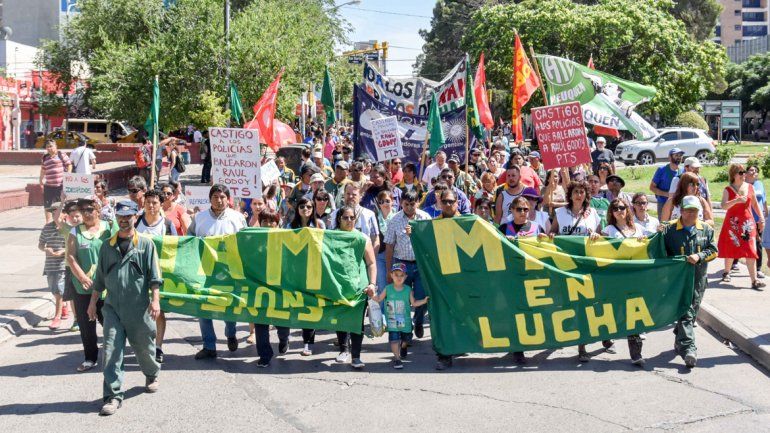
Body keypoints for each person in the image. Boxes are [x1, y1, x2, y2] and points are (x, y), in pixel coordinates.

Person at [87, 200, 162, 416]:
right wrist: (93, 302)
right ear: (116, 217)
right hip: (112, 309)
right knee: (111, 351)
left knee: (145, 349)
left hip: (138, 309)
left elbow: (155, 277)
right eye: (120, 216)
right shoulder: (106, 246)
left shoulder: (146, 244)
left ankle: (151, 373)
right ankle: (112, 396)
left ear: (134, 217)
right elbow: (99, 278)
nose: (123, 219)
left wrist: (155, 300)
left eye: (128, 216)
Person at [548, 181, 611, 362]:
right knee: (570, 304)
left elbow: (600, 239)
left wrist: (596, 236)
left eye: (582, 192)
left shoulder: (593, 215)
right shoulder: (560, 213)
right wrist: (552, 235)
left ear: (586, 194)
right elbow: (552, 233)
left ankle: (585, 345)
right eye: (576, 191)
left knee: (589, 304)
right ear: (570, 194)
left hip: (587, 266)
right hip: (566, 266)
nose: (579, 195)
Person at [188, 185, 248, 359]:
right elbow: (190, 240)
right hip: (204, 272)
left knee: (228, 306)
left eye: (222, 196)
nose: (219, 200)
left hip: (229, 272)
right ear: (210, 198)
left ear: (228, 199)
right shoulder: (200, 218)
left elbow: (245, 243)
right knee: (203, 308)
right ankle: (209, 346)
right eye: (215, 196)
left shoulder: (237, 218)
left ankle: (231, 334)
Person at [659, 196, 718, 368]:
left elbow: (714, 251)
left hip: (699, 279)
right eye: (688, 210)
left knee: (692, 312)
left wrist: (699, 256)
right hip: (677, 281)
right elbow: (659, 251)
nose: (691, 214)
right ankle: (689, 350)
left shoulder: (706, 229)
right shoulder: (669, 230)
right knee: (686, 312)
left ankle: (680, 335)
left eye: (695, 210)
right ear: (681, 211)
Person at [67, 198, 114, 372]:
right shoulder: (75, 231)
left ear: (98, 210)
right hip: (83, 288)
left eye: (89, 209)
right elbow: (70, 256)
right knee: (87, 325)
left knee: (110, 323)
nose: (86, 213)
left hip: (107, 287)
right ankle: (90, 358)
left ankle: (114, 354)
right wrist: (81, 277)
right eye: (82, 210)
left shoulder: (108, 228)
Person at [333, 205, 378, 369]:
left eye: (352, 218)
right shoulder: (332, 237)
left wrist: (372, 283)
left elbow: (371, 263)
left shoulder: (362, 238)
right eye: (345, 217)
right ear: (339, 219)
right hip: (338, 286)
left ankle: (356, 356)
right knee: (340, 320)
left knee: (357, 323)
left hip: (359, 287)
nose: (349, 220)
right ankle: (344, 350)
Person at [718, 164, 766, 290]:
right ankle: (726, 272)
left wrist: (761, 219)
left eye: (744, 172)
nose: (744, 174)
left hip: (747, 225)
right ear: (734, 174)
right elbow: (723, 206)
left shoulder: (750, 187)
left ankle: (754, 280)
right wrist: (736, 201)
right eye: (741, 172)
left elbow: (755, 205)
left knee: (751, 250)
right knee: (731, 248)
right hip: (732, 224)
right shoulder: (728, 189)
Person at [373, 263, 429, 369]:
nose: (399, 277)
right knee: (394, 340)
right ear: (391, 275)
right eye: (396, 274)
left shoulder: (408, 289)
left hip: (405, 322)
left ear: (406, 277)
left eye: (401, 275)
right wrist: (371, 295)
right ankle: (397, 359)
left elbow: (414, 303)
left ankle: (403, 346)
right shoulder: (388, 288)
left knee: (406, 339)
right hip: (392, 321)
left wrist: (424, 301)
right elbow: (379, 298)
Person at [435, 189, 461, 371]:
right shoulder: (432, 224)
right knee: (444, 316)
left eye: (451, 201)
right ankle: (444, 355)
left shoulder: (466, 222)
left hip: (462, 279)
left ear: (457, 203)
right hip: (441, 278)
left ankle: (459, 346)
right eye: (445, 201)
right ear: (440, 203)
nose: (448, 205)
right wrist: (413, 231)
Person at [39, 202, 68, 330]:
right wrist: (46, 249)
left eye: (58, 211)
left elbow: (74, 246)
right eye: (53, 211)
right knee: (53, 289)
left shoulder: (67, 227)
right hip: (50, 264)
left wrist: (64, 251)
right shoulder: (47, 228)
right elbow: (40, 244)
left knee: (58, 290)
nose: (55, 213)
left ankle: (57, 317)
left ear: (64, 213)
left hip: (63, 263)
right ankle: (64, 307)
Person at [329, 182, 380, 251]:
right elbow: (331, 236)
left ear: (361, 196)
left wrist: (371, 259)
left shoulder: (369, 214)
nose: (350, 197)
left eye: (354, 195)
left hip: (363, 255)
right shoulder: (335, 214)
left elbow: (375, 239)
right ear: (344, 194)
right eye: (348, 194)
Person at [40, 140, 72, 223]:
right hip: (49, 185)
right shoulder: (45, 157)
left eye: (51, 146)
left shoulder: (61, 154)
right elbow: (43, 170)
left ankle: (59, 222)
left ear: (56, 146)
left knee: (60, 204)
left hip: (60, 185)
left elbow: (69, 165)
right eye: (47, 147)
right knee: (47, 205)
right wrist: (40, 180)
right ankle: (47, 222)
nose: (49, 148)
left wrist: (68, 175)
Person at [747, 164, 767, 279]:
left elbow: (763, 200)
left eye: (755, 170)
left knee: (758, 243)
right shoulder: (743, 185)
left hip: (758, 219)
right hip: (746, 219)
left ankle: (758, 269)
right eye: (751, 170)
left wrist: (765, 215)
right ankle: (733, 263)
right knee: (741, 241)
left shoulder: (760, 184)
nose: (753, 172)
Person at [650, 148, 684, 217]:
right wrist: (667, 194)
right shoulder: (661, 170)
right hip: (663, 203)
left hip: (677, 204)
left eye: (680, 155)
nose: (679, 157)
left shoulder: (682, 170)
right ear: (669, 157)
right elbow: (652, 187)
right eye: (676, 155)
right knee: (663, 225)